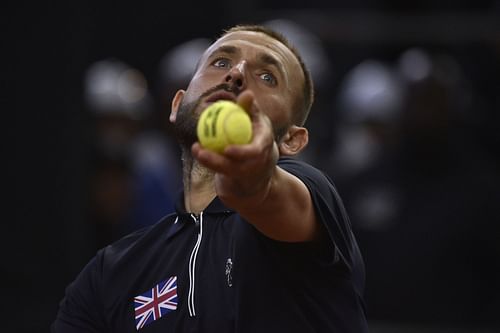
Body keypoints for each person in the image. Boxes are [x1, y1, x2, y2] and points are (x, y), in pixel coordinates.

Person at [52, 24, 368, 333]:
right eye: (220, 62)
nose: (236, 73)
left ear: (291, 140)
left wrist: (253, 178)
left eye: (268, 76)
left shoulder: (312, 194)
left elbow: (272, 196)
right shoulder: (111, 272)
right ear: (177, 106)